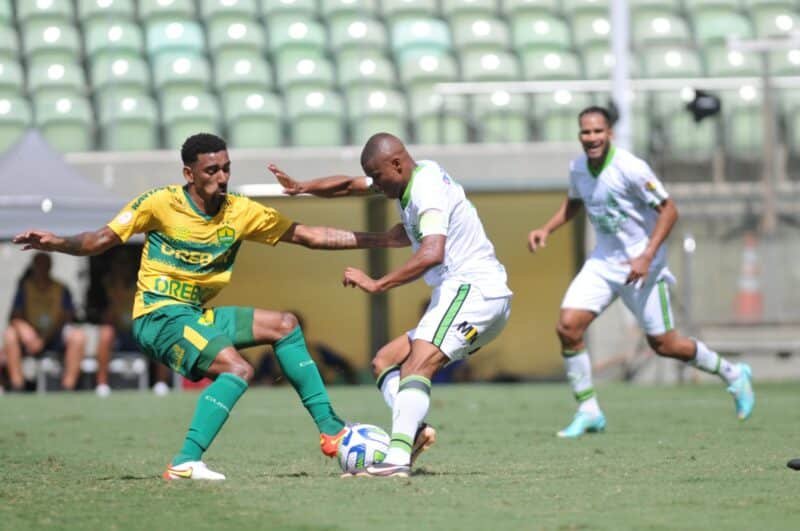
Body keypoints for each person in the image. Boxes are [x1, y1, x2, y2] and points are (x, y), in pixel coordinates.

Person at [10, 133, 394, 480]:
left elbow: (310, 235)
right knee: (238, 369)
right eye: (212, 170)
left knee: (285, 325)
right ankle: (185, 462)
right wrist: (58, 242)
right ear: (189, 173)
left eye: (226, 168)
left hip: (192, 314)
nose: (222, 177)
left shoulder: (241, 211)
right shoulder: (160, 203)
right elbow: (100, 239)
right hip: (158, 316)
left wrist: (382, 241)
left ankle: (331, 430)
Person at [269, 132, 513, 477]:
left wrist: (378, 282)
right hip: (468, 295)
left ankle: (396, 459)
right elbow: (350, 185)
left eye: (380, 177)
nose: (377, 187)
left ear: (396, 164)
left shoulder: (426, 189)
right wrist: (302, 187)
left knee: (416, 368)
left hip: (473, 290)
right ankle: (413, 432)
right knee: (385, 361)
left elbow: (433, 252)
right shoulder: (408, 176)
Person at [526, 106, 755, 438]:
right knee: (568, 327)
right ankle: (588, 410)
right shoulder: (577, 168)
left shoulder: (630, 168)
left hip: (641, 267)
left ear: (610, 134)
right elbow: (576, 200)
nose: (591, 138)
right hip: (603, 264)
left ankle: (734, 374)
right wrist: (547, 229)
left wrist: (647, 256)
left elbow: (669, 209)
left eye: (597, 132)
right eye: (585, 132)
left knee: (665, 344)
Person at [2, 252, 87, 391]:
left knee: (78, 337)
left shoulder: (61, 288)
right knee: (9, 335)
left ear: (50, 267)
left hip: (55, 334)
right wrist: (26, 331)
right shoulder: (25, 287)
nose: (41, 268)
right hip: (31, 337)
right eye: (38, 265)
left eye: (44, 265)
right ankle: (17, 385)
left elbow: (67, 317)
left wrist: (44, 338)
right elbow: (14, 317)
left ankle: (68, 386)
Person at [94, 250, 172, 397]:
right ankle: (102, 385)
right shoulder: (105, 284)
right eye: (119, 264)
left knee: (160, 330)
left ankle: (161, 383)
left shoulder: (143, 282)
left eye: (125, 264)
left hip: (140, 330)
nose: (122, 268)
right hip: (118, 333)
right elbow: (102, 315)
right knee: (105, 333)